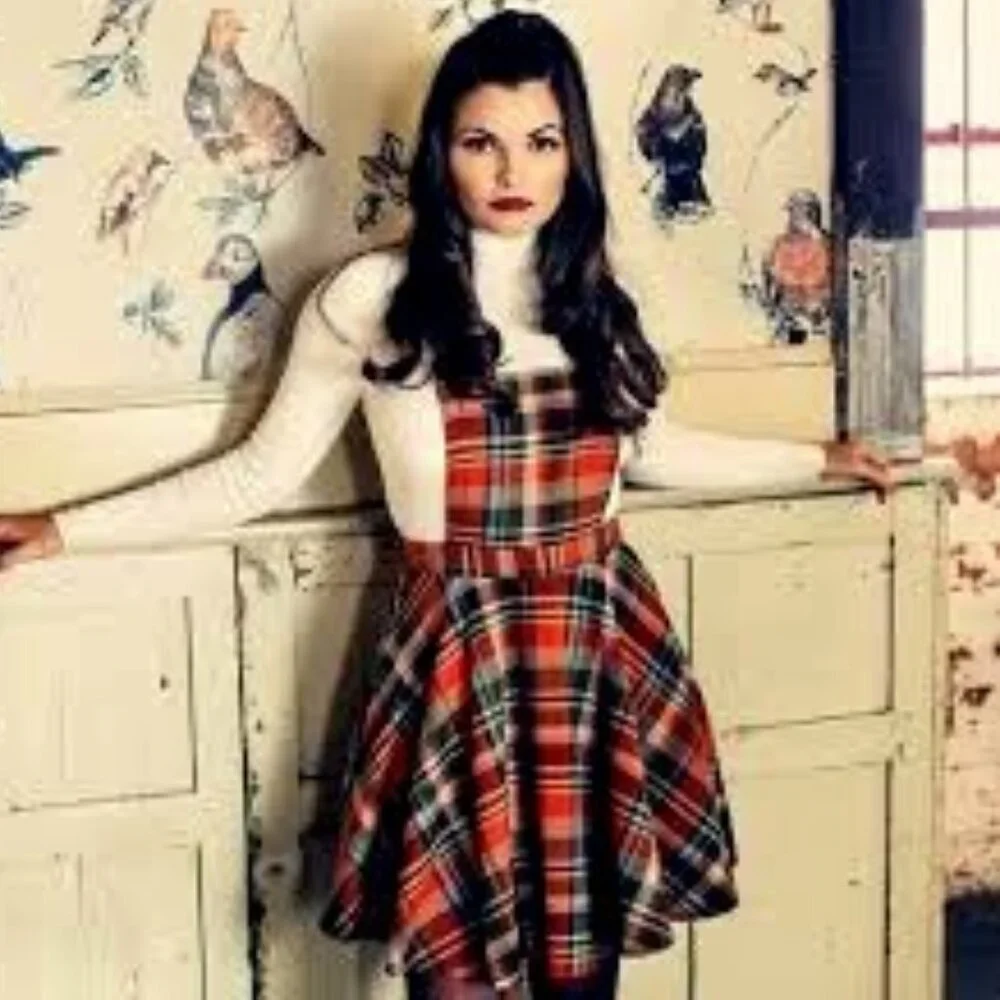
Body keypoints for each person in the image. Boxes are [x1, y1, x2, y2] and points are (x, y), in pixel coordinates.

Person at [0, 11, 895, 999]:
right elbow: (258, 473)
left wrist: (815, 460)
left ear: (573, 154)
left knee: (582, 974)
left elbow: (654, 450)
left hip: (597, 660)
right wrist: (64, 530)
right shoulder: (372, 296)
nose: (513, 171)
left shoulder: (596, 296)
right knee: (458, 972)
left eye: (541, 141)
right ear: (443, 153)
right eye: (481, 142)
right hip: (459, 672)